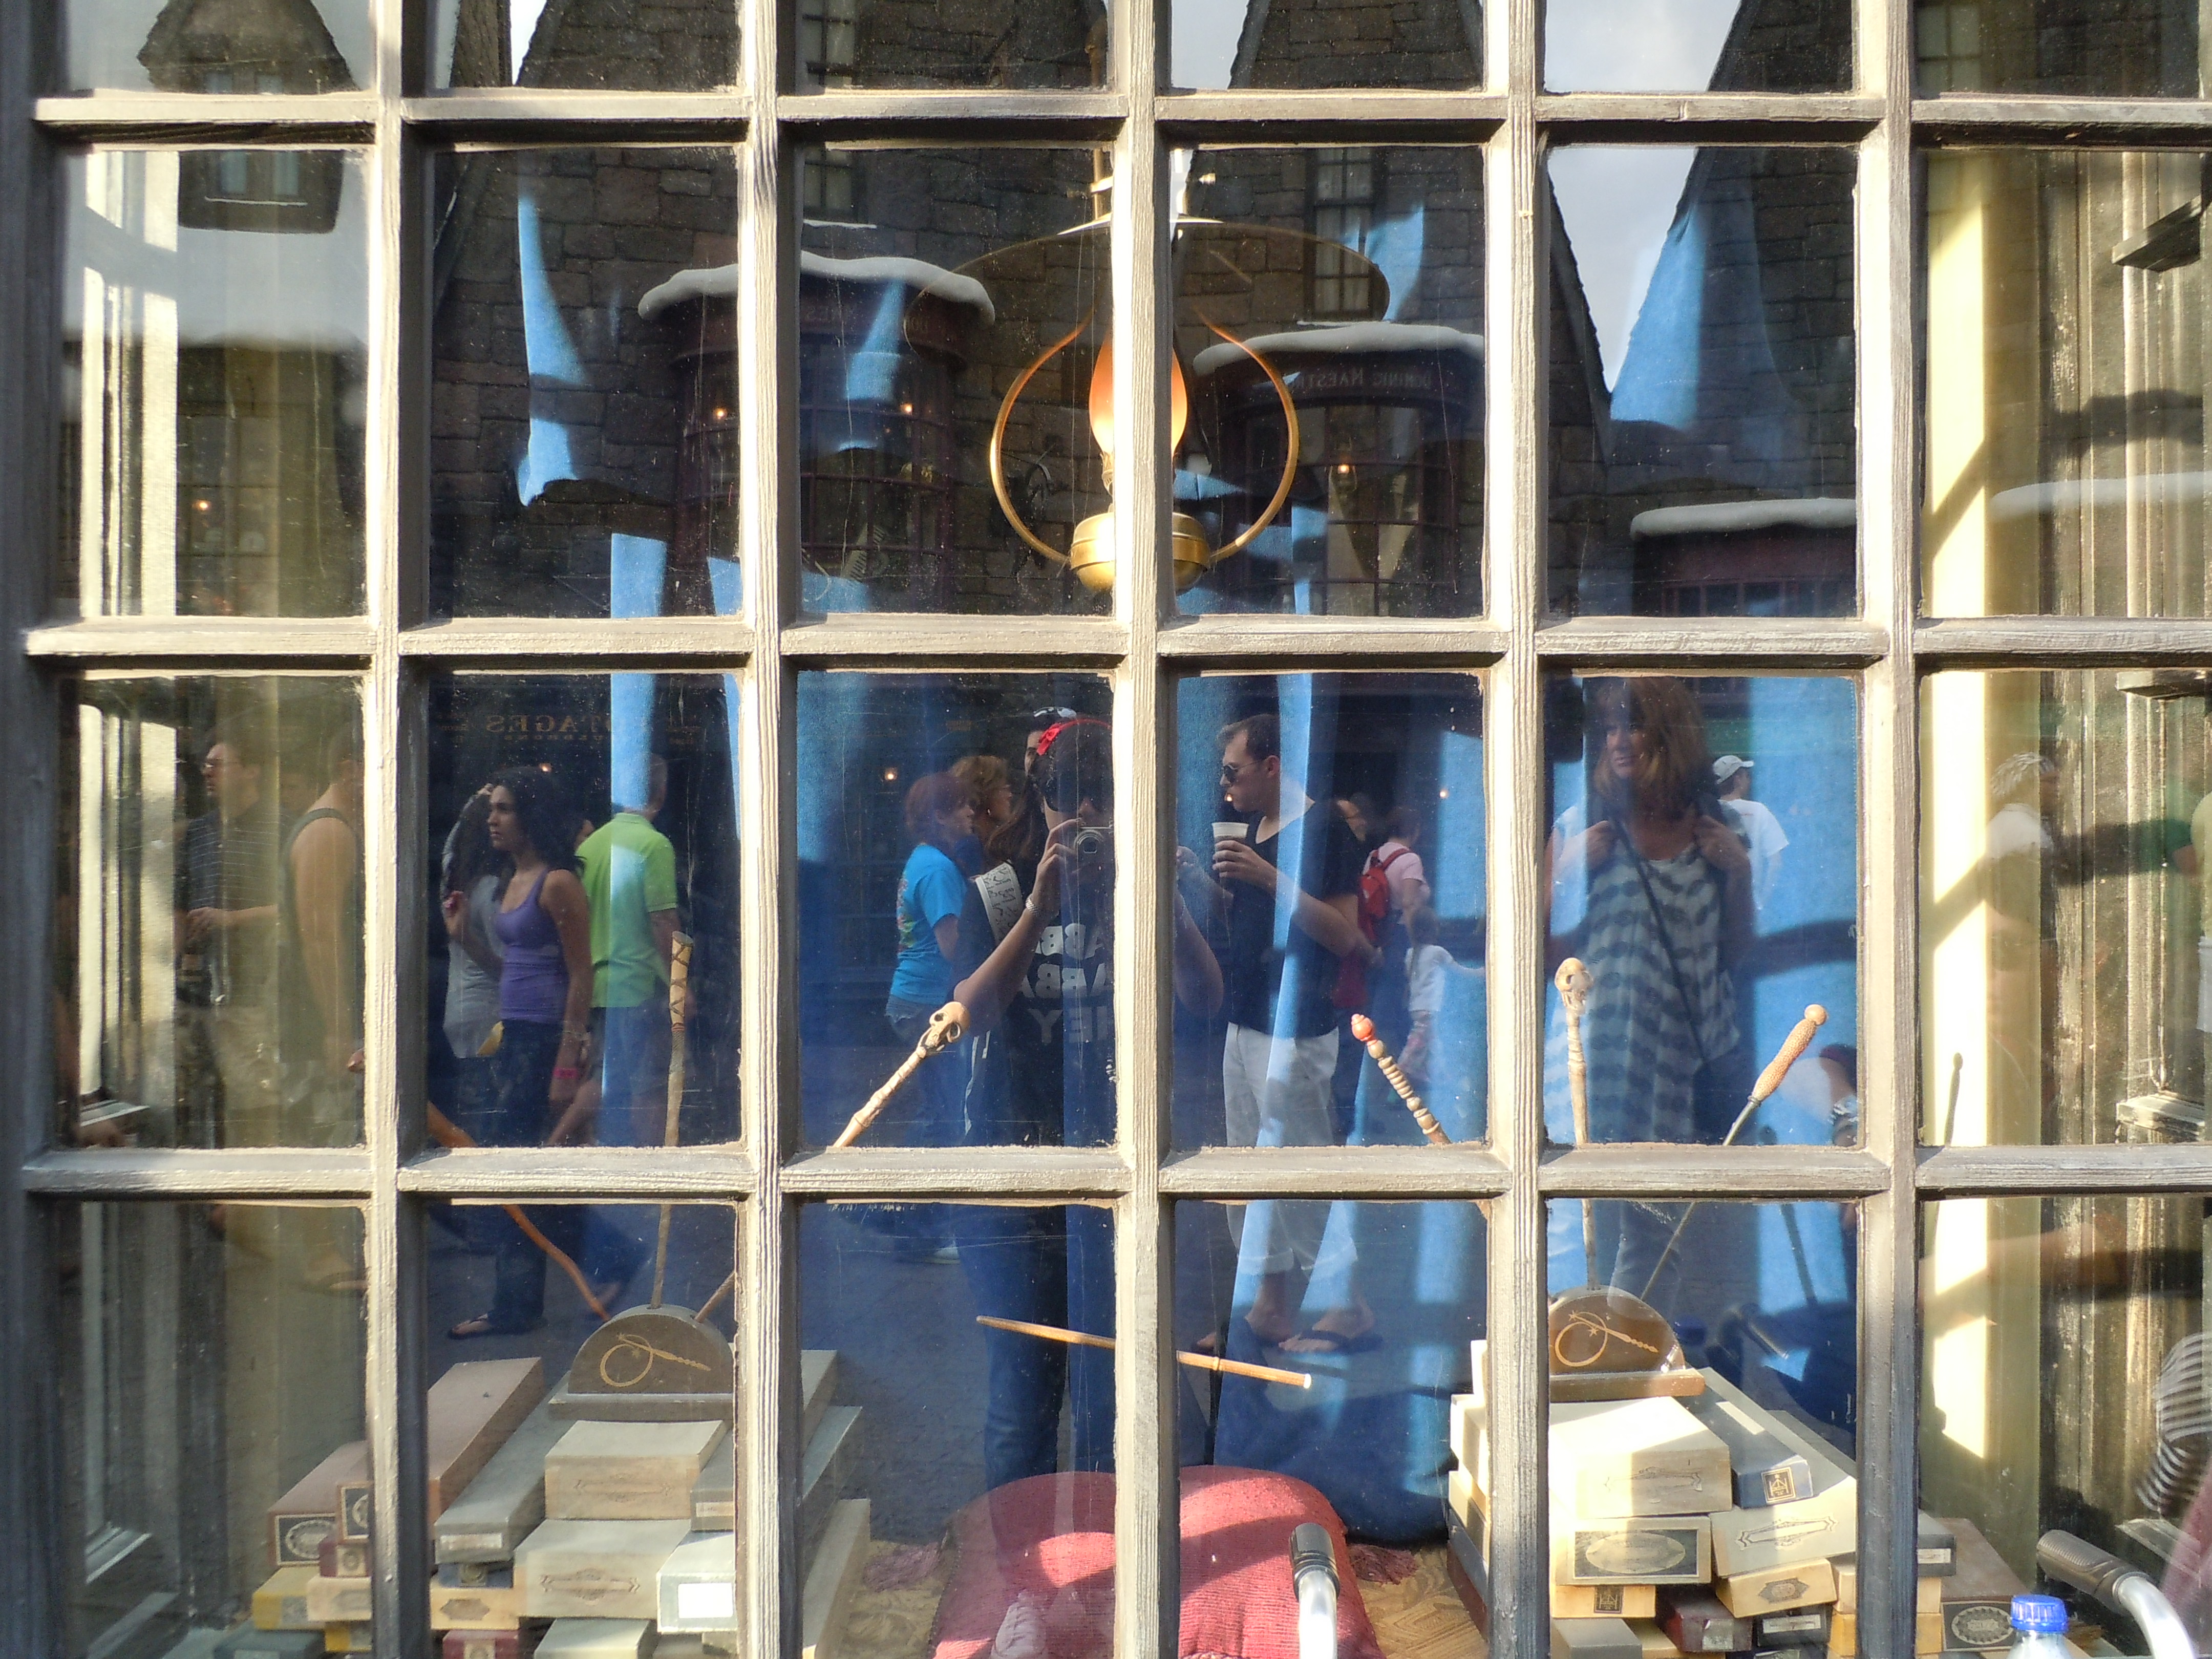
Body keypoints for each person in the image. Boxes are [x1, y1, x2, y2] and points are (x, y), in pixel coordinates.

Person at [952, 718, 1220, 1487]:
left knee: (1116, 1391)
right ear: (1040, 801)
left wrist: (1161, 899)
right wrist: (1039, 909)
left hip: (1120, 1167)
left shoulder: (1141, 892)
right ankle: (1022, 1551)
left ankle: (1109, 1545)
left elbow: (1206, 998)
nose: (1088, 820)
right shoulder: (1002, 891)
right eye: (1073, 800)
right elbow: (969, 1011)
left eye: (1104, 800)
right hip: (1011, 1175)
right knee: (1022, 1395)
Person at [1546, 678, 1752, 1284]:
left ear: (1669, 735)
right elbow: (1542, 956)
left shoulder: (1718, 829)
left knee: (1655, 1234)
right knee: (1568, 1218)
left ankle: (1631, 1341)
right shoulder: (1585, 826)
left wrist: (1739, 872)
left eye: (1633, 725)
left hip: (1674, 1065)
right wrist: (1565, 873)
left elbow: (1735, 957)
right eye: (1610, 727)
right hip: (1589, 1058)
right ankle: (1563, 1338)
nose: (1618, 741)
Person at [1196, 712, 1375, 1351]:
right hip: (1246, 1014)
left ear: (1272, 766)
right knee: (1250, 1167)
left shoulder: (1324, 828)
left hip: (1296, 1026)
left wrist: (1268, 877)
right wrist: (1206, 882)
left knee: (1300, 1164)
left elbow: (1345, 935)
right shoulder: (1255, 826)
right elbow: (1251, 918)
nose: (1226, 787)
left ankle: (1347, 1305)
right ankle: (1270, 1303)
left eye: (1232, 772)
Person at [451, 768, 641, 1338]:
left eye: (505, 809)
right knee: (516, 1172)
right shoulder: (514, 879)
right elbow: (512, 972)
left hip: (544, 1041)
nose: (493, 819)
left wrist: (566, 1060)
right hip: (516, 1035)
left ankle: (525, 1300)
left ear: (530, 817)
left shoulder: (557, 883)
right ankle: (603, 1260)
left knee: (517, 1173)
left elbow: (580, 974)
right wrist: (466, 940)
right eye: (493, 808)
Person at [176, 721, 283, 1146]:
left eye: (219, 764)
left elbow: (297, 909)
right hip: (195, 994)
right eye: (206, 764)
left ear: (252, 770)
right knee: (195, 1103)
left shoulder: (280, 827)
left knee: (255, 1103)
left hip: (254, 993)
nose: (208, 772)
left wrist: (233, 920)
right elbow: (181, 904)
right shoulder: (199, 832)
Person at [576, 756, 682, 1147]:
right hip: (641, 988)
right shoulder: (654, 845)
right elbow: (663, 922)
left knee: (602, 1081)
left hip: (598, 989)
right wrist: (680, 987)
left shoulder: (591, 846)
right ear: (661, 792)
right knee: (649, 1087)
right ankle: (653, 1164)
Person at [278, 722, 366, 1147]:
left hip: (325, 1021)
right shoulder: (329, 831)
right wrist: (337, 1027)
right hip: (320, 1028)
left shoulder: (337, 827)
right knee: (333, 1142)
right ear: (350, 770)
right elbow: (319, 936)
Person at [886, 772, 975, 1150]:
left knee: (937, 1104)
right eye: (962, 806)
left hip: (912, 998)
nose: (971, 812)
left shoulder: (923, 859)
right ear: (940, 816)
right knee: (941, 1112)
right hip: (928, 1002)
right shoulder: (939, 869)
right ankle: (906, 1181)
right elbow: (953, 947)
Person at [439, 788, 506, 1135]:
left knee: (470, 1111)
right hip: (487, 1018)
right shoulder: (491, 890)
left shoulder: (453, 881)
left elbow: (451, 845)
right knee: (489, 1115)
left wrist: (472, 803)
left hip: (458, 1010)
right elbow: (502, 967)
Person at [1713, 755, 1788, 912]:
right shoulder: (1759, 811)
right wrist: (1762, 902)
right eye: (1746, 776)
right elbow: (1776, 862)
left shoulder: (1709, 813)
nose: (1749, 780)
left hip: (1716, 907)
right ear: (1738, 780)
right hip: (1750, 905)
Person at [950, 753, 1016, 877]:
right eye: (1004, 789)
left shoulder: (988, 840)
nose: (1010, 795)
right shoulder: (970, 847)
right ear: (986, 795)